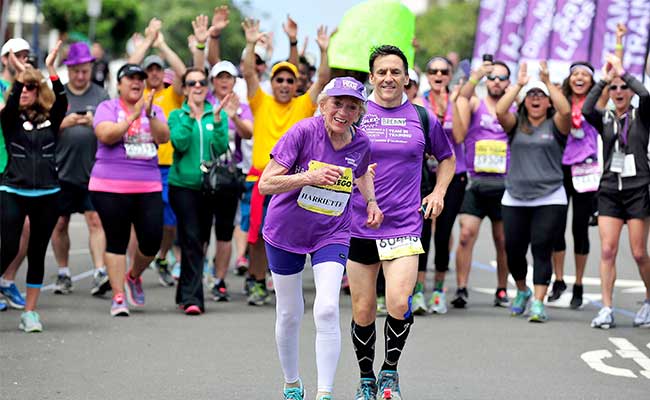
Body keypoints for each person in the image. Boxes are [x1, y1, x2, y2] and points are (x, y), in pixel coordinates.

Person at [259, 76, 379, 400]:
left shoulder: (361, 143)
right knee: (289, 311)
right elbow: (265, 184)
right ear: (323, 105)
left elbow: (363, 171)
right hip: (286, 231)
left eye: (352, 106)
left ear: (359, 112)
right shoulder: (302, 132)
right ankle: (292, 383)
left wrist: (371, 201)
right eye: (337, 103)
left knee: (326, 308)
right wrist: (308, 177)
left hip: (332, 231)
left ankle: (324, 393)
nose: (343, 111)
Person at [348, 45, 455, 400]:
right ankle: (366, 377)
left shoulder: (423, 118)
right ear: (372, 77)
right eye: (381, 72)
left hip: (405, 224)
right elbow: (333, 155)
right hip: (359, 224)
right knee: (363, 309)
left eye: (395, 72)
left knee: (397, 301)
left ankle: (389, 372)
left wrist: (438, 192)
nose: (388, 78)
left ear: (407, 77)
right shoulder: (357, 116)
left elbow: (447, 158)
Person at [241, 18, 330, 306]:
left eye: (290, 80)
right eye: (279, 79)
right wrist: (251, 42)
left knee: (292, 234)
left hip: (297, 183)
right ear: (272, 82)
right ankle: (255, 281)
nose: (284, 84)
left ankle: (283, 283)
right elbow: (248, 73)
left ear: (296, 84)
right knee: (256, 236)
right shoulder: (260, 101)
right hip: (263, 181)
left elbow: (323, 80)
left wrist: (324, 50)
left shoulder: (304, 104)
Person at [90, 63, 170, 317]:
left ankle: (133, 276)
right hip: (109, 185)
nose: (136, 83)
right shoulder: (107, 108)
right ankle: (118, 296)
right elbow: (106, 135)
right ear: (120, 84)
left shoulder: (154, 109)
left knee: (152, 240)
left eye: (140, 79)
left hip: (147, 184)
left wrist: (149, 115)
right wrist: (132, 117)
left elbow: (164, 138)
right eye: (131, 79)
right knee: (116, 240)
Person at [495, 61, 571, 322]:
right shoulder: (516, 124)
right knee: (514, 250)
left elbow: (567, 109)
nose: (536, 99)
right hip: (515, 196)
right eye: (532, 95)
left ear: (548, 102)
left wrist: (548, 82)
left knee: (541, 247)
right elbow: (499, 110)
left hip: (550, 196)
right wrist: (518, 84)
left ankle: (539, 301)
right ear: (524, 101)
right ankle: (523, 290)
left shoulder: (557, 125)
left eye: (541, 96)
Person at [0, 41, 67, 332]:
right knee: (8, 246)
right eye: (22, 89)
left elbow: (62, 100)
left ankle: (30, 313)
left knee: (38, 251)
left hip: (48, 194)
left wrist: (50, 70)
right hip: (13, 190)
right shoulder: (9, 120)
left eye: (31, 88)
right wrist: (21, 75)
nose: (25, 92)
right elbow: (13, 99)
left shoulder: (51, 120)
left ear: (39, 93)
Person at [583, 54, 650, 329]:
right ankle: (606, 308)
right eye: (615, 88)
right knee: (607, 250)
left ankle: (648, 301)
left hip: (638, 188)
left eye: (624, 87)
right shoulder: (605, 118)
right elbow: (587, 109)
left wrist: (625, 73)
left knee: (638, 252)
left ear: (630, 91)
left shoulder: (642, 114)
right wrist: (605, 79)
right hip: (610, 188)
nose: (619, 91)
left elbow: (647, 96)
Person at [128, 18, 187, 286]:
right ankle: (131, 268)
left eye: (156, 70)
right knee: (136, 220)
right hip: (141, 165)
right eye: (148, 69)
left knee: (170, 222)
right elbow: (130, 65)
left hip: (169, 165)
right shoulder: (136, 93)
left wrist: (161, 44)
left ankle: (162, 255)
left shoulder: (172, 95)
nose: (152, 74)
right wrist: (148, 42)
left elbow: (182, 72)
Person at [167, 67, 230, 315]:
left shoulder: (217, 114)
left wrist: (215, 120)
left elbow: (221, 147)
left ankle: (184, 292)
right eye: (191, 83)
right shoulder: (176, 115)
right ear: (184, 89)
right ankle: (194, 298)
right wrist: (191, 119)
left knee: (199, 240)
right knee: (192, 238)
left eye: (201, 82)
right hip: (182, 187)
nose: (197, 86)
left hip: (208, 188)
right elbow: (179, 143)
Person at [50, 42, 110, 296]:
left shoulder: (101, 95)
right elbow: (44, 128)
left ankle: (99, 272)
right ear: (69, 70)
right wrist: (65, 122)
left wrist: (92, 123)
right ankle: (63, 272)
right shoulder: (58, 95)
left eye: (85, 70)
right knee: (60, 223)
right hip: (60, 170)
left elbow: (110, 129)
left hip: (93, 171)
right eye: (76, 71)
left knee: (95, 220)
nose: (81, 76)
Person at [452, 60, 512, 307]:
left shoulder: (514, 106)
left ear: (508, 82)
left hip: (505, 184)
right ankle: (461, 288)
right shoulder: (476, 102)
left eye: (501, 78)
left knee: (503, 240)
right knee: (466, 235)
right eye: (492, 77)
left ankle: (501, 289)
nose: (496, 82)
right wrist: (476, 76)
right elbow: (463, 98)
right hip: (476, 182)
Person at [547, 61, 600, 308]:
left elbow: (611, 81)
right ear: (569, 79)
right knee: (556, 226)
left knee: (580, 228)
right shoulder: (561, 99)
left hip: (586, 171)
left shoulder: (596, 101)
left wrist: (619, 44)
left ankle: (578, 283)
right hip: (560, 168)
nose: (579, 78)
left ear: (591, 81)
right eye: (575, 74)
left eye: (585, 75)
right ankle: (558, 280)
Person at [420, 56, 467, 314]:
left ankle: (438, 290)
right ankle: (417, 291)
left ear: (450, 75)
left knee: (443, 232)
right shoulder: (419, 102)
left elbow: (459, 136)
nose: (438, 75)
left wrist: (455, 101)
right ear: (428, 75)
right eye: (433, 71)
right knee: (423, 232)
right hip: (424, 177)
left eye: (443, 71)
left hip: (453, 176)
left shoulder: (458, 101)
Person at [207, 60, 254, 300]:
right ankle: (202, 271)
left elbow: (248, 133)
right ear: (212, 81)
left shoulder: (242, 106)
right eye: (220, 77)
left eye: (229, 77)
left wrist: (233, 116)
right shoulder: (204, 103)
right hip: (203, 175)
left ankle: (219, 279)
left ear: (235, 82)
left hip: (229, 176)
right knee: (203, 229)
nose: (224, 81)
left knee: (225, 230)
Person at [0, 37, 32, 309]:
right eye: (16, 55)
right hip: (0, 164)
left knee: (25, 228)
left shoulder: (30, 86)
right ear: (5, 59)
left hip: (19, 168)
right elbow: (7, 112)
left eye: (26, 55)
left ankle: (7, 280)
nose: (23, 60)